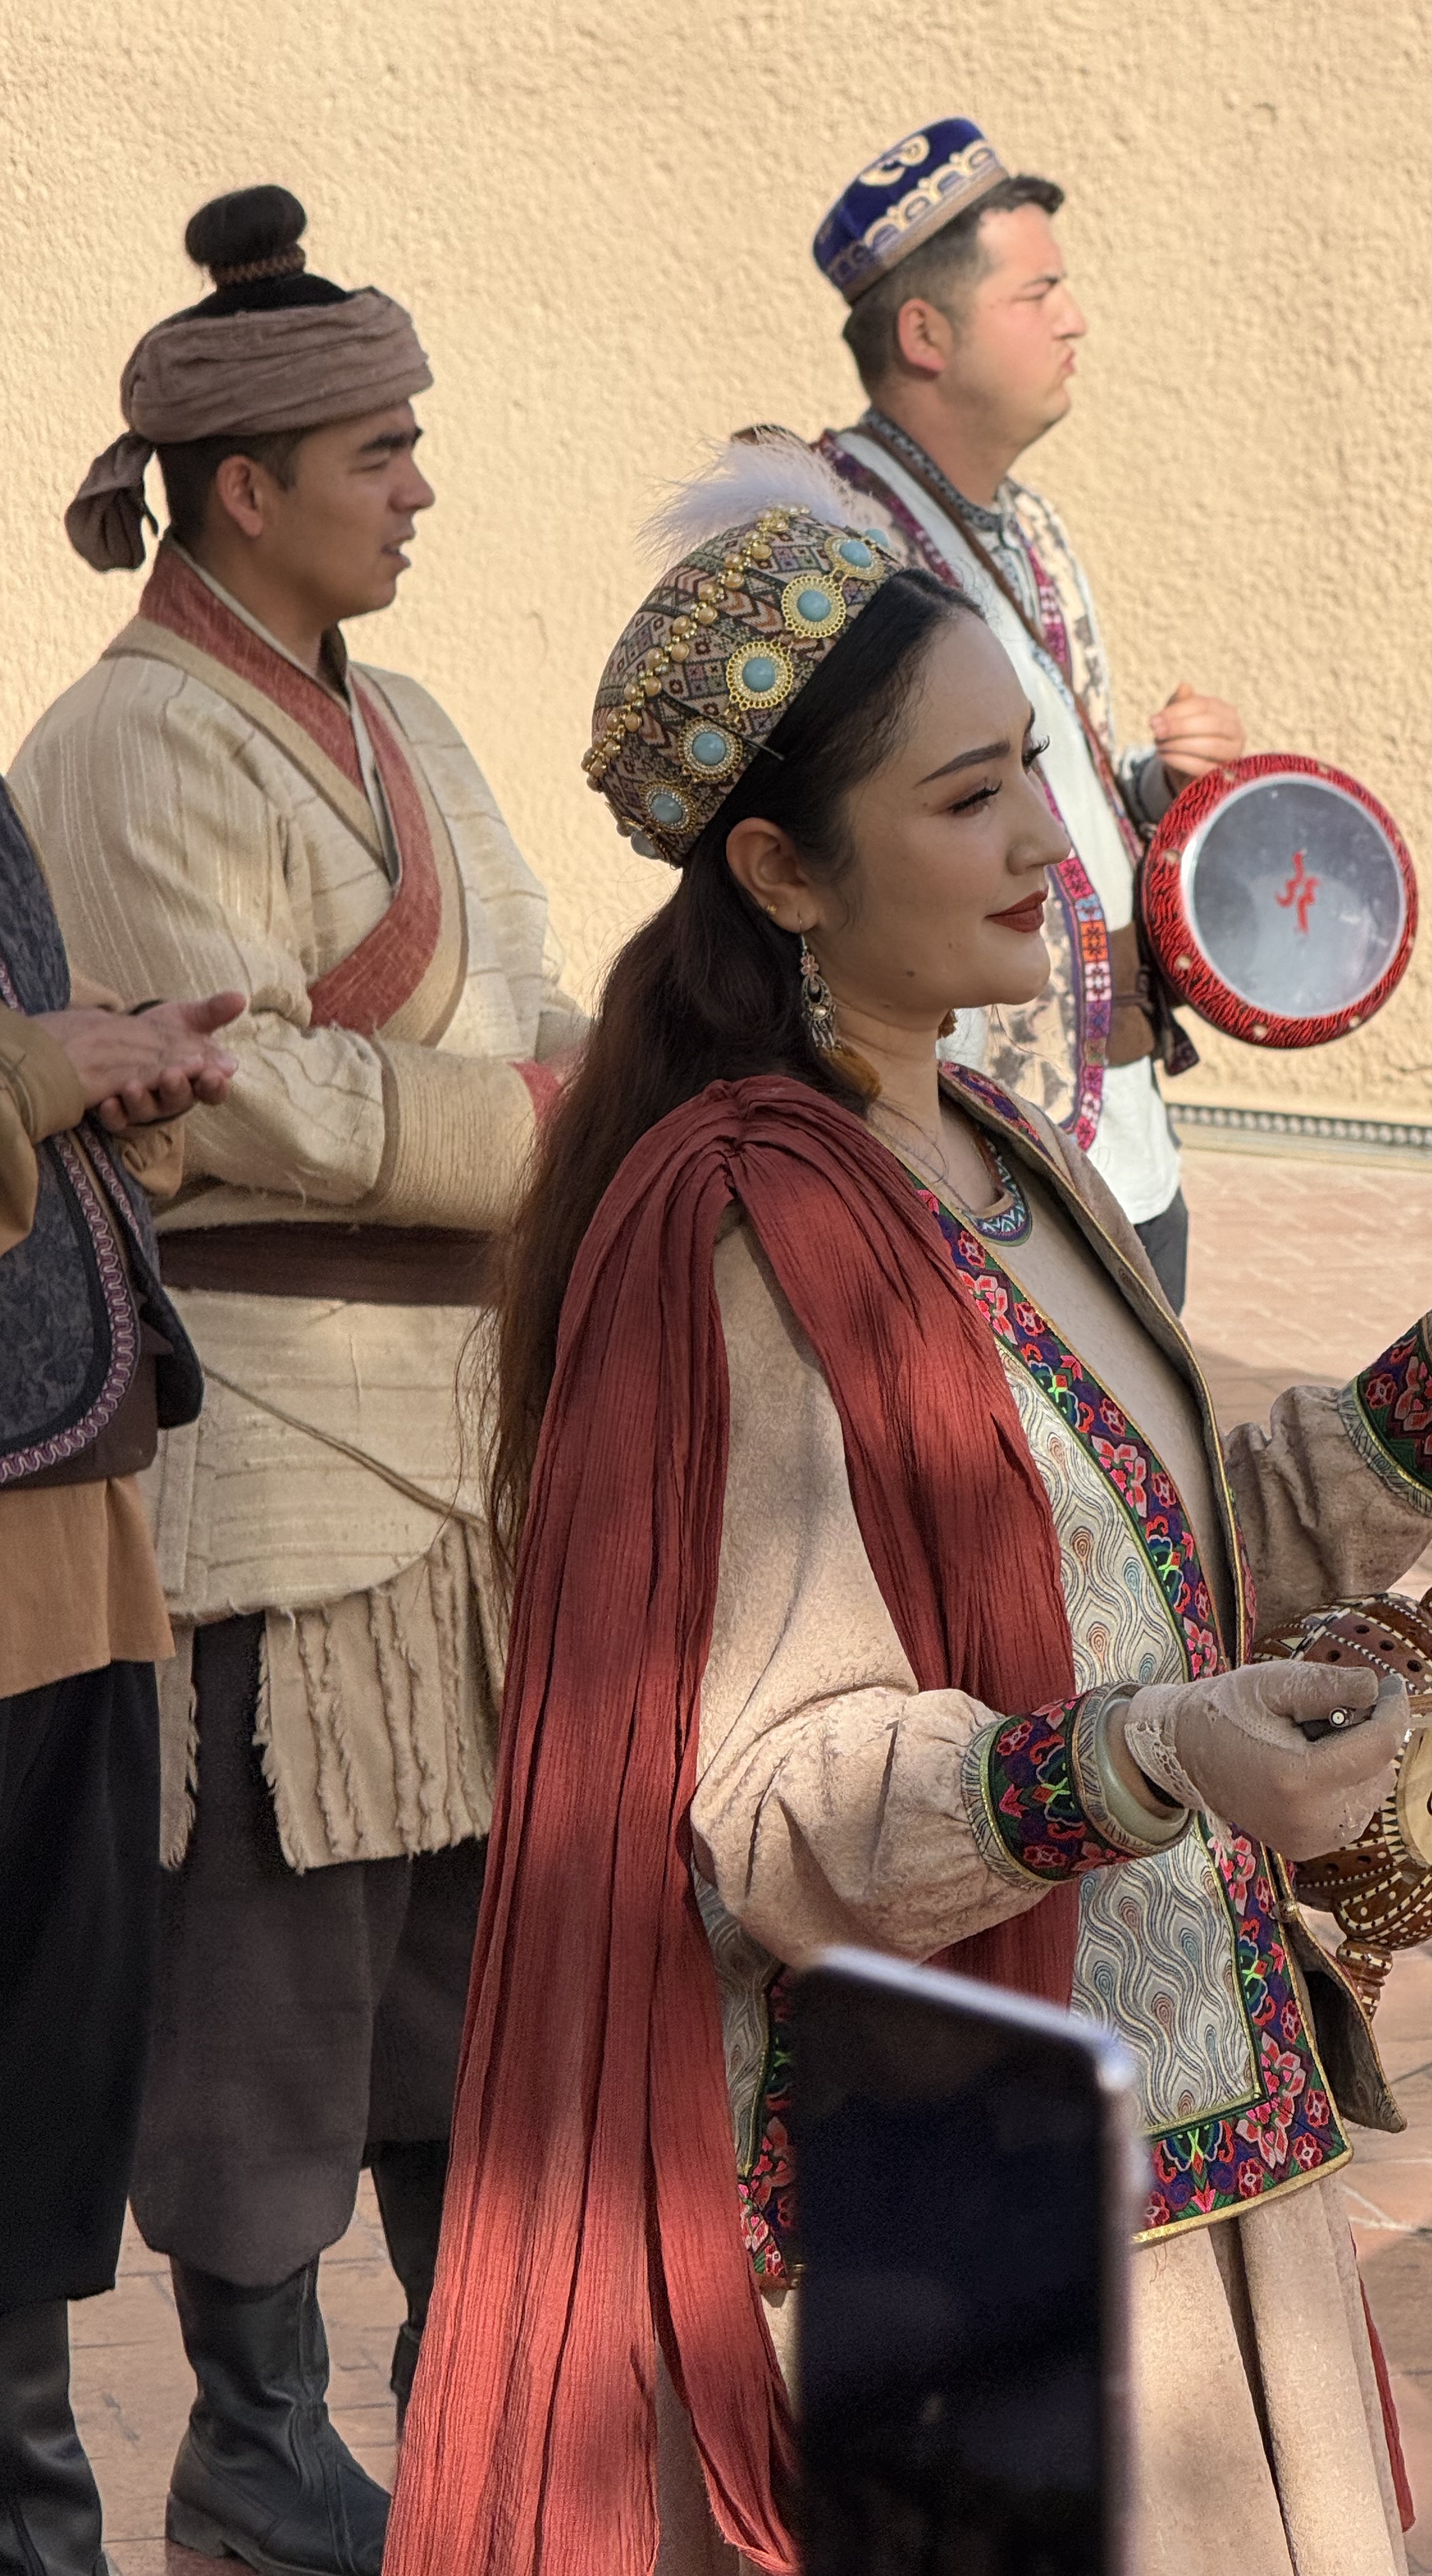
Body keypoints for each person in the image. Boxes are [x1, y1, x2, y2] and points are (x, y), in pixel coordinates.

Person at [383, 440, 1432, 2576]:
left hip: (1205, 2161)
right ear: (782, 872)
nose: (1044, 841)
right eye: (962, 795)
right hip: (972, 2202)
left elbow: (1192, 1565)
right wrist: (1148, 1752)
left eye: (1031, 767)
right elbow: (772, 1799)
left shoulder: (1008, 1158)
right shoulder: (741, 1230)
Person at [10, 186, 585, 2575]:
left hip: (464, 1457)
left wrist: (547, 1102)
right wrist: (533, 1132)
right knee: (267, 1966)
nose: (423, 485)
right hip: (273, 1456)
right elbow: (244, 1107)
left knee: (463, 1961)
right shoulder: (127, 745)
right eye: (385, 449)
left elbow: (536, 1007)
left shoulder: (420, 722)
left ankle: (475, 2409)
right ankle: (254, 2441)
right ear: (246, 488)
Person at [810, 118, 1247, 1310]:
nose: (1074, 319)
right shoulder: (831, 547)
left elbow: (1045, 786)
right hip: (965, 1141)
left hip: (1122, 1133)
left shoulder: (1033, 527)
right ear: (924, 332)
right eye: (1038, 290)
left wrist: (1155, 788)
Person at [1, 774, 239, 2576]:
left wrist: (116, 1089)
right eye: (371, 455)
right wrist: (38, 1076)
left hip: (66, 1544)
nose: (414, 490)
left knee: (32, 2153)